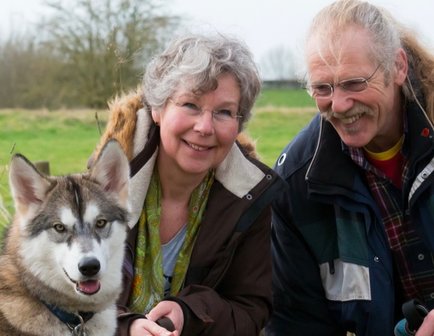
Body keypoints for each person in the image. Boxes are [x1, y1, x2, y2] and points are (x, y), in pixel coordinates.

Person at [90, 33, 283, 336]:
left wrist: (188, 313)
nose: (205, 127)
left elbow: (250, 309)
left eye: (223, 112)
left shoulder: (250, 197)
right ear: (158, 109)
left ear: (238, 122)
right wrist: (127, 328)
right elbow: (67, 293)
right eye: (190, 104)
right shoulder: (103, 186)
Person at [266, 0, 434, 335]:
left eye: (354, 83)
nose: (339, 105)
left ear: (397, 67)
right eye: (322, 88)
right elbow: (295, 324)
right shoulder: (295, 185)